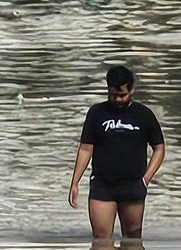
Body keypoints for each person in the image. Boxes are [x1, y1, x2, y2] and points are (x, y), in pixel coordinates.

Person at [68, 65, 165, 240]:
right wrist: (75, 182)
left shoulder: (143, 115)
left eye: (123, 95)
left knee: (133, 239)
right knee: (101, 240)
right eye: (114, 95)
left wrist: (146, 179)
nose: (118, 99)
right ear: (108, 89)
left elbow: (159, 148)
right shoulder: (96, 113)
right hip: (102, 185)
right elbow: (85, 149)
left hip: (133, 185)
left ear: (132, 90)